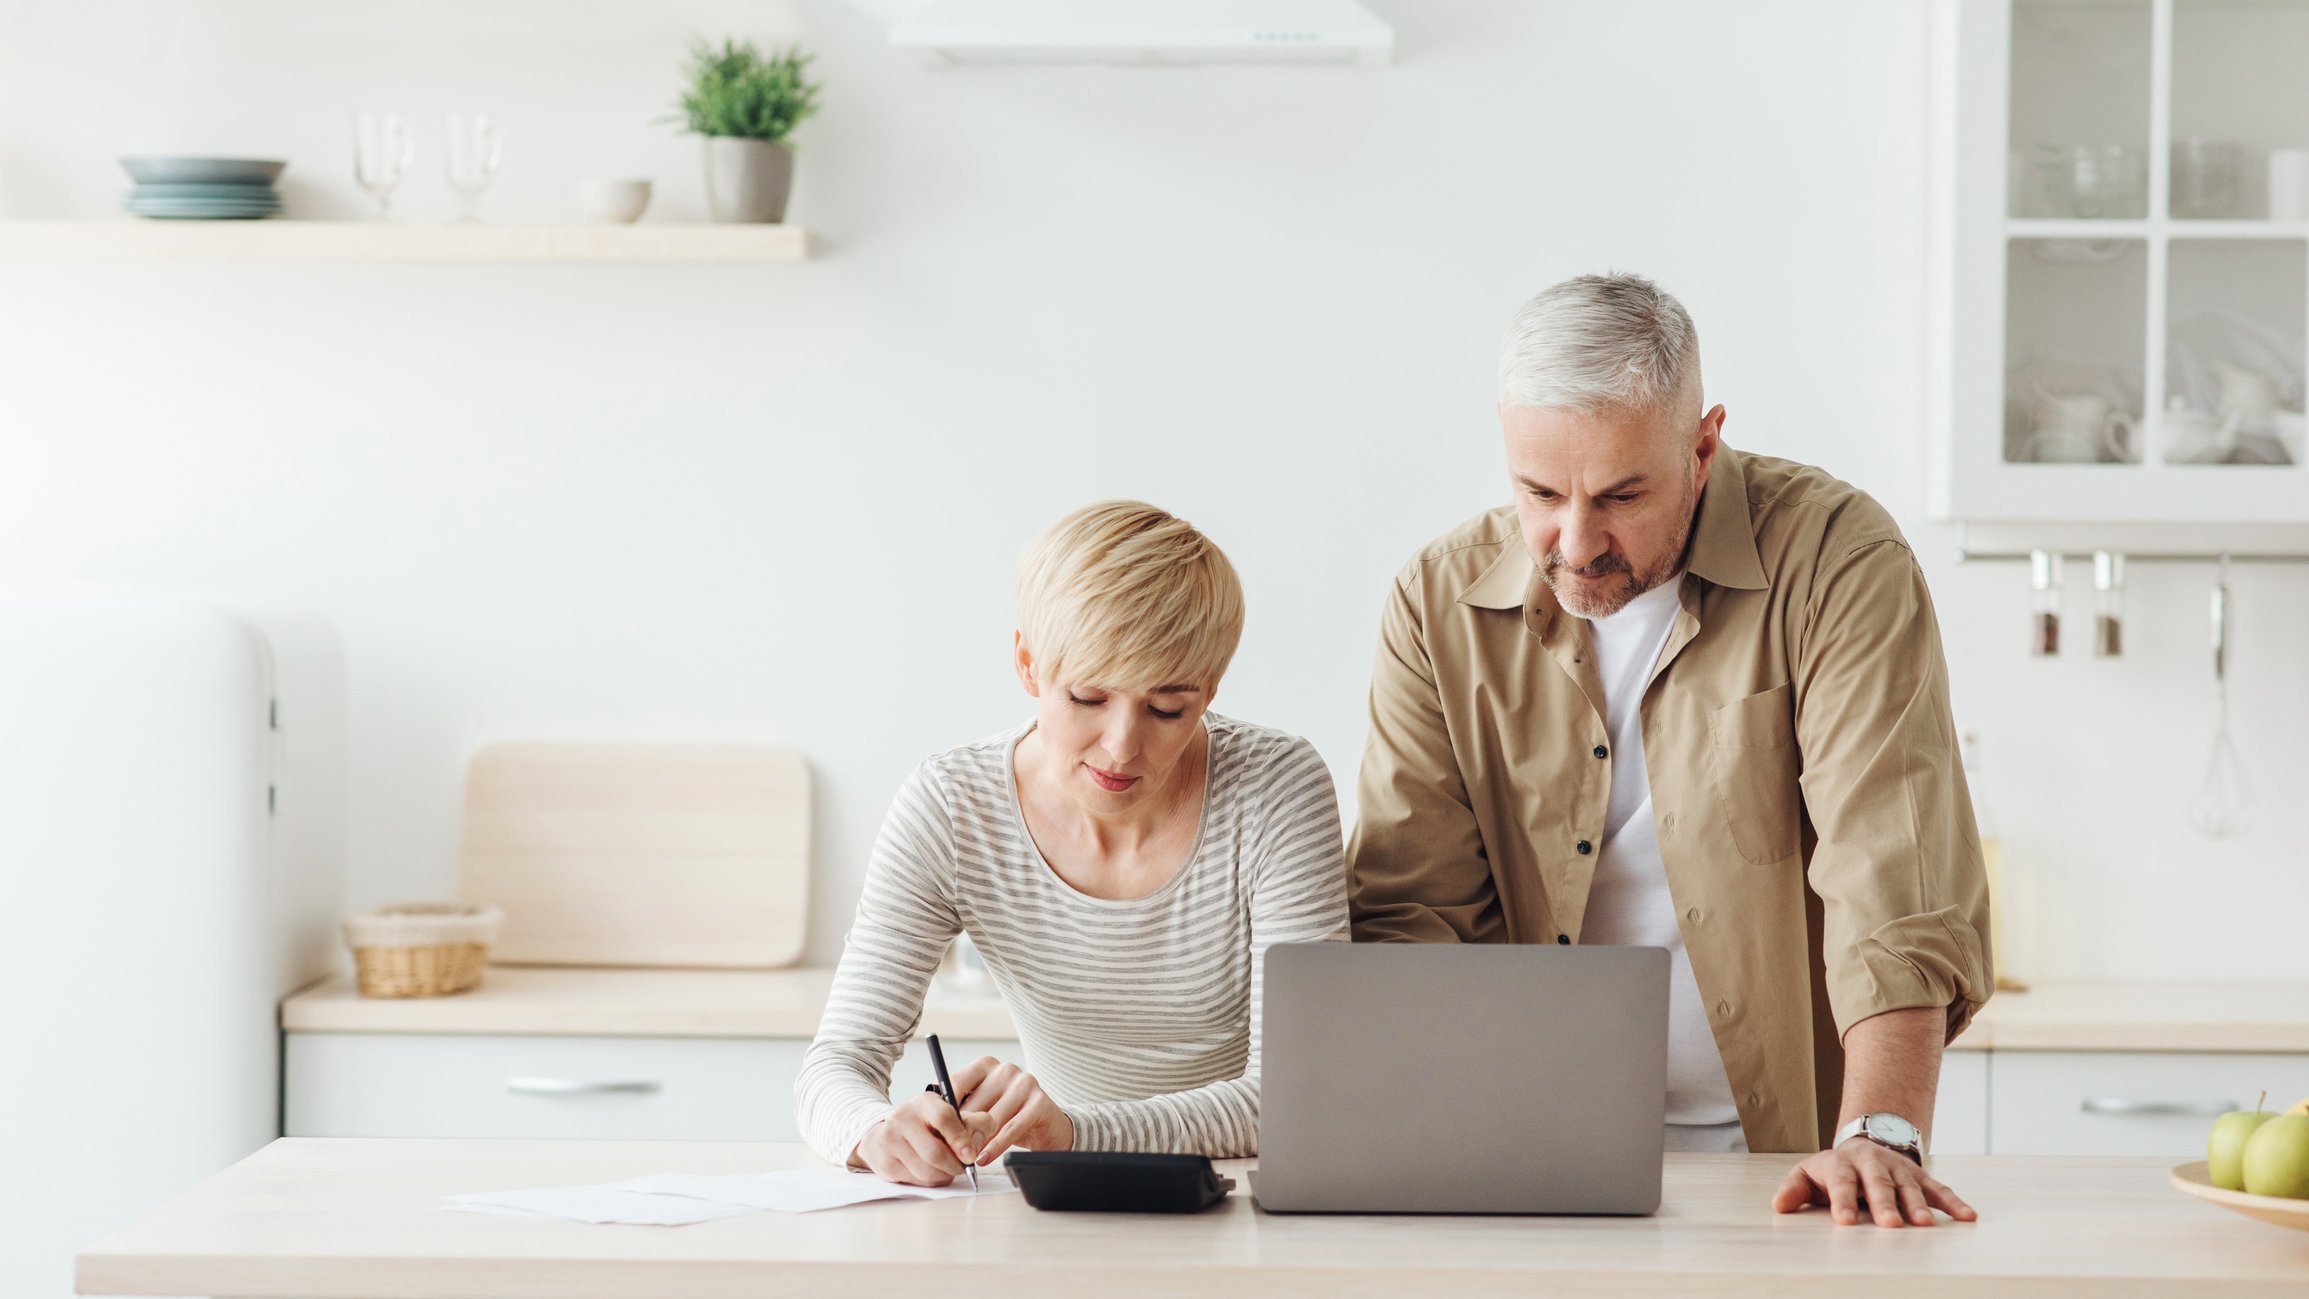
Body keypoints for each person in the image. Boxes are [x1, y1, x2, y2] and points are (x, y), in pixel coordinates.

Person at [1348, 273, 1992, 1228]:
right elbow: (1413, 914)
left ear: (1702, 445)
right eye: (1538, 492)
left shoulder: (1836, 560)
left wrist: (1880, 1132)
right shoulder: (1437, 605)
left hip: (1791, 1160)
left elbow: (1890, 875)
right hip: (1527, 1158)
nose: (1575, 543)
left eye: (1620, 494)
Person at [797, 500, 1349, 1186]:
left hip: (1249, 1196)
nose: (1121, 746)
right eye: (1088, 697)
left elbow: (1299, 1091)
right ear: (1028, 664)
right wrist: (876, 1132)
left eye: (1167, 708)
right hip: (1061, 1197)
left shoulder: (1277, 787)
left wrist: (1075, 1132)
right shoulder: (953, 806)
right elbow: (836, 1064)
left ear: (1209, 690)